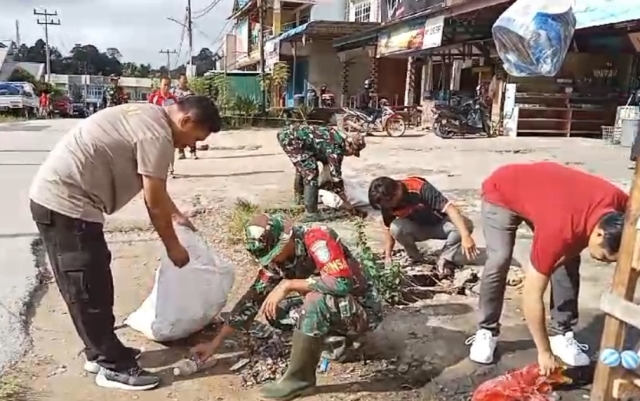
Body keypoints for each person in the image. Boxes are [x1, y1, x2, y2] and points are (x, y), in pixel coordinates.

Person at [29, 96, 222, 391]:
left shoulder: (151, 117)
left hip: (69, 203)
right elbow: (153, 199)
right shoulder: (157, 135)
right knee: (87, 285)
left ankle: (100, 351)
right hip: (65, 205)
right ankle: (112, 367)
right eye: (194, 138)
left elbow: (157, 190)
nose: (189, 146)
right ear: (186, 121)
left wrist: (178, 215)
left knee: (94, 281)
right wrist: (173, 246)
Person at [190, 213, 383, 400]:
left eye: (274, 254)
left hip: (361, 310)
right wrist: (215, 344)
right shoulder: (278, 261)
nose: (273, 261)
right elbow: (252, 300)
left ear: (286, 239)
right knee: (274, 310)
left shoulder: (318, 238)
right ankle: (334, 343)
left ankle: (300, 380)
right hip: (335, 308)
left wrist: (289, 284)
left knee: (314, 301)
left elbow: (341, 282)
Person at [466, 162, 627, 373]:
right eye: (606, 257)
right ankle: (487, 330)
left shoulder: (620, 204)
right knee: (500, 259)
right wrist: (544, 352)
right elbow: (532, 295)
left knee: (569, 261)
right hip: (503, 191)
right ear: (599, 234)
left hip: (549, 198)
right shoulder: (560, 231)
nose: (605, 262)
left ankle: (561, 332)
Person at [368, 176, 477, 276]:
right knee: (395, 228)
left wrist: (465, 236)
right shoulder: (385, 200)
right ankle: (415, 258)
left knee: (465, 226)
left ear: (396, 193)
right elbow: (387, 227)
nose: (387, 207)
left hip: (440, 224)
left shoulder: (419, 188)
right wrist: (388, 257)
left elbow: (450, 209)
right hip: (417, 228)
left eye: (388, 204)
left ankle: (444, 259)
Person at [277, 124, 366, 218]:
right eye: (352, 152)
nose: (349, 155)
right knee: (311, 172)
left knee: (303, 168)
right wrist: (345, 201)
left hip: (287, 134)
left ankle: (300, 201)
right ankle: (311, 213)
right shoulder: (336, 149)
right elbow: (336, 177)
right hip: (292, 140)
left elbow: (321, 150)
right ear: (349, 146)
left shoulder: (336, 136)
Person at [171, 73, 198, 160]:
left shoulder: (190, 92)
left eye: (185, 80)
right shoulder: (173, 92)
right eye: (183, 80)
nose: (185, 81)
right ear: (179, 80)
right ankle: (181, 152)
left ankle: (193, 152)